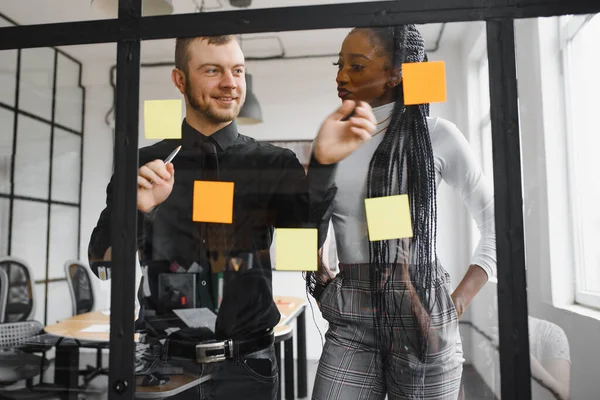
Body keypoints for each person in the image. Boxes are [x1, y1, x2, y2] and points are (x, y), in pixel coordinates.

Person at [88, 35, 376, 399]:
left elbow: (301, 255)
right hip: (162, 368)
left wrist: (322, 167)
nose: (230, 82)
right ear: (180, 80)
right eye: (213, 70)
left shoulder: (273, 163)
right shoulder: (143, 166)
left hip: (248, 369)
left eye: (237, 70)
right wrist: (137, 212)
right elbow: (104, 266)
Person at [307, 25, 496, 399]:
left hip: (421, 309)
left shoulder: (436, 135)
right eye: (338, 64)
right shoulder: (331, 142)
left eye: (356, 66)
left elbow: (496, 222)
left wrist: (455, 303)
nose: (340, 76)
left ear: (396, 73)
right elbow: (305, 226)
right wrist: (322, 285)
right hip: (350, 316)